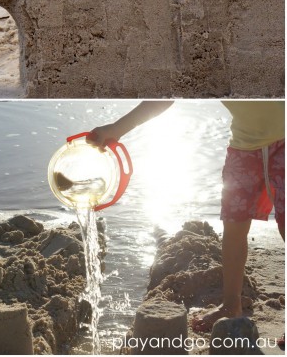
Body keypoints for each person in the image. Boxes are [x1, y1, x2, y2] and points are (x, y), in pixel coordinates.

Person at [87, 100, 284, 332]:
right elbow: (165, 95)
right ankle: (231, 304)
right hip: (243, 146)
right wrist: (115, 130)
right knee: (233, 226)